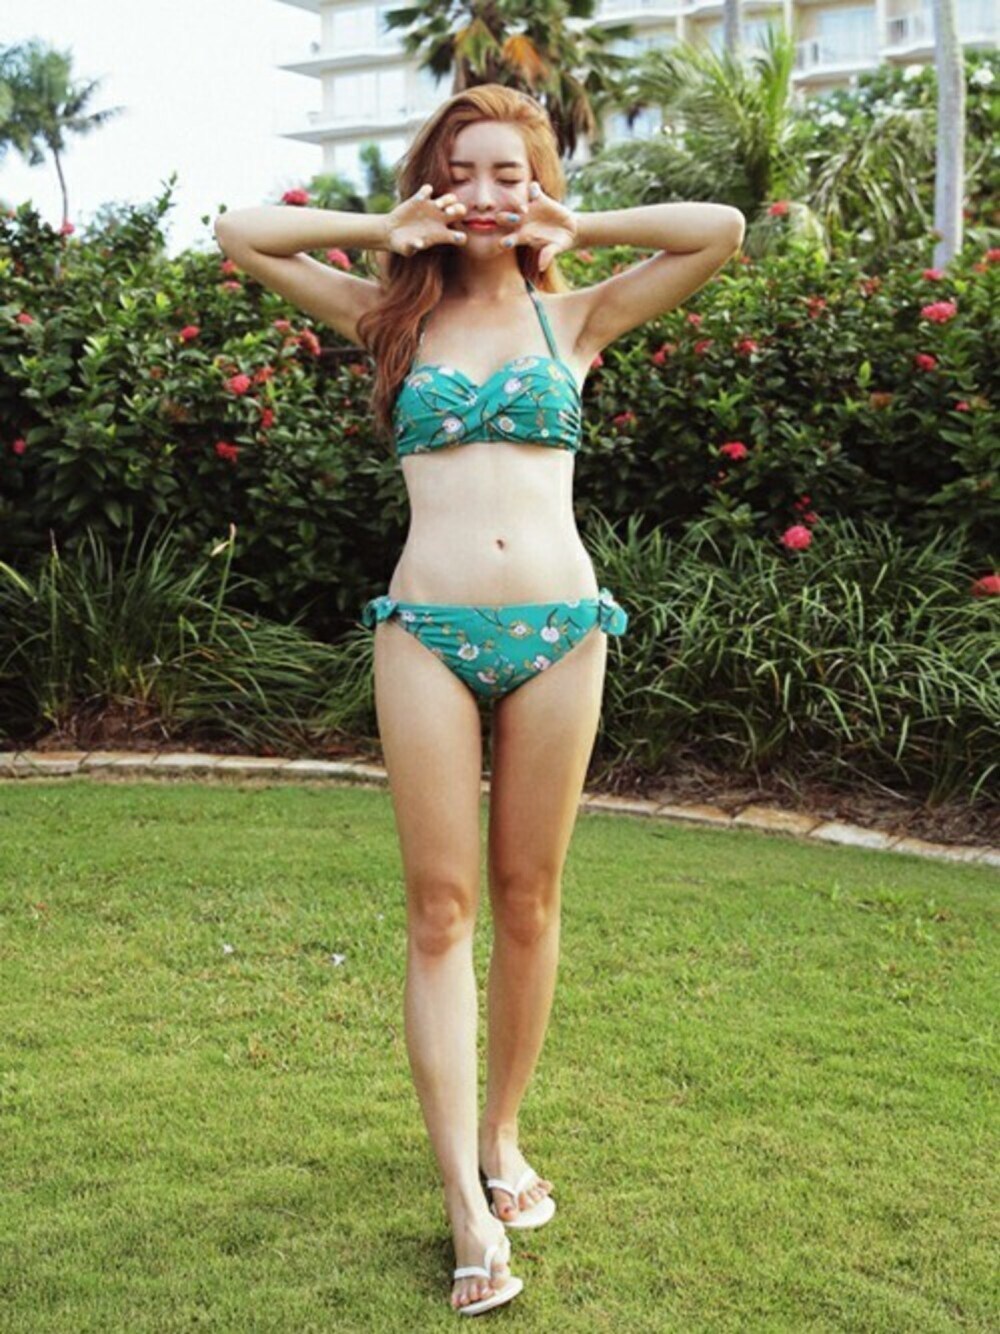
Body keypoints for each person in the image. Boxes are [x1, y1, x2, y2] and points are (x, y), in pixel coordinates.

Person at [214, 83, 744, 1316]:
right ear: (433, 185)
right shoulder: (385, 318)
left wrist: (575, 223)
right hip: (426, 634)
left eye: (510, 172)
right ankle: (463, 1194)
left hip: (562, 632)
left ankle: (503, 1132)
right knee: (441, 909)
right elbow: (241, 232)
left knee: (529, 898)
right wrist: (382, 225)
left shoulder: (578, 314)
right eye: (463, 173)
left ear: (537, 183)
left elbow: (716, 229)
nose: (486, 195)